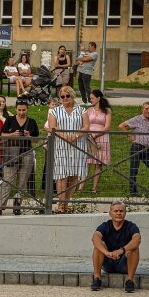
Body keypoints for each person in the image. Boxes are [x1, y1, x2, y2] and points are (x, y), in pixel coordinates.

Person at [47, 86, 88, 214]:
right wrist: (65, 136)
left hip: (78, 145)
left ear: (72, 96)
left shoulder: (82, 110)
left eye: (67, 96)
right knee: (62, 175)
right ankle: (60, 204)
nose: (64, 98)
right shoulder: (55, 111)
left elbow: (86, 126)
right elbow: (53, 127)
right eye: (62, 96)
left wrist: (75, 136)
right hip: (61, 146)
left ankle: (66, 203)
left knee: (74, 175)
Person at [91, 201, 141, 293]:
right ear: (110, 213)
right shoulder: (105, 225)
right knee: (99, 244)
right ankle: (97, 278)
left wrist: (122, 250)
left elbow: (137, 239)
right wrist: (107, 253)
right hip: (107, 262)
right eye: (116, 211)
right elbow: (95, 238)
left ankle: (129, 281)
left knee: (134, 248)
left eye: (121, 211)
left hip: (124, 265)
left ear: (125, 213)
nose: (118, 213)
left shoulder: (131, 226)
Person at [0, 97, 38, 213]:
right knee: (7, 180)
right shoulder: (9, 120)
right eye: (19, 110)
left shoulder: (32, 122)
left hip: (27, 152)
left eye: (24, 110)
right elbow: (2, 135)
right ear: (15, 109)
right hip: (11, 153)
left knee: (22, 181)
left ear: (27, 109)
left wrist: (29, 136)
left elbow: (36, 140)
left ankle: (17, 203)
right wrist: (12, 134)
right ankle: (0, 206)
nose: (21, 112)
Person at [118, 101, 149, 197]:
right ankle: (133, 193)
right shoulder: (137, 119)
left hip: (147, 149)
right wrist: (130, 135)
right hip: (137, 147)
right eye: (146, 108)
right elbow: (121, 126)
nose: (148, 110)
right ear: (142, 110)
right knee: (134, 170)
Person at [79, 89, 111, 194]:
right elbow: (85, 124)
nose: (91, 100)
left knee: (98, 164)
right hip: (90, 137)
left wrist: (96, 134)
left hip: (102, 137)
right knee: (86, 162)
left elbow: (107, 126)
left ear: (98, 98)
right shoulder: (88, 110)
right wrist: (89, 134)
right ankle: (80, 187)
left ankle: (94, 188)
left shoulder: (107, 111)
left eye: (92, 98)